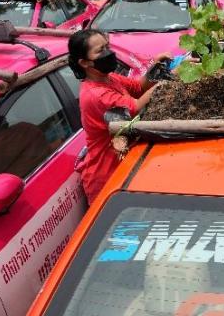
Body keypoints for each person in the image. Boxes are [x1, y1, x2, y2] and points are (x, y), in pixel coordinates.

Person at [68, 29, 165, 200]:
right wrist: (164, 82)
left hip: (123, 169)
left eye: (107, 46)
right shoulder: (96, 95)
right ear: (84, 62)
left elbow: (138, 87)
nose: (108, 53)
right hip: (106, 178)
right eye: (100, 51)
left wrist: (156, 66)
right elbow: (135, 106)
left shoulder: (109, 78)